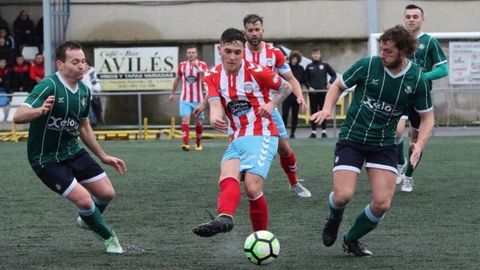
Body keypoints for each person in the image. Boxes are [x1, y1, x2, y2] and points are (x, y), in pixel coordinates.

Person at [311, 25, 434, 257]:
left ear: (403, 52)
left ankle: (351, 239)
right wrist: (327, 108)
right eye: (382, 49)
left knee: (382, 203)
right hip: (352, 137)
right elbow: (338, 85)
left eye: (388, 51)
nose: (382, 54)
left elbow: (427, 117)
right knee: (343, 195)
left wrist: (419, 144)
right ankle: (334, 218)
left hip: (384, 144)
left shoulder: (416, 78)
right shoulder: (367, 65)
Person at [13, 41, 126, 254]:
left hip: (71, 151)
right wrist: (40, 111)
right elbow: (19, 116)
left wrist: (103, 156)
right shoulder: (48, 86)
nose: (81, 66)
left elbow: (84, 126)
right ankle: (108, 236)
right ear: (60, 65)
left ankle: (87, 220)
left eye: (83, 61)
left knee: (106, 193)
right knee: (84, 200)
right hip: (45, 158)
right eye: (75, 62)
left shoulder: (84, 90)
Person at [192, 27, 292, 237]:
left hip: (262, 133)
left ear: (243, 51)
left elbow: (286, 87)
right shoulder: (211, 75)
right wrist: (214, 116)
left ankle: (262, 238)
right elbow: (215, 103)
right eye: (228, 51)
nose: (232, 57)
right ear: (220, 49)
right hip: (236, 138)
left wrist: (272, 104)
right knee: (227, 176)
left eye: (237, 52)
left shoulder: (256, 71)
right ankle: (225, 217)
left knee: (252, 187)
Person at [243, 14, 311, 197]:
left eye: (257, 29)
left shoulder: (274, 53)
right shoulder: (239, 53)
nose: (254, 33)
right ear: (245, 32)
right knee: (243, 148)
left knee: (284, 148)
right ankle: (245, 181)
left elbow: (290, 78)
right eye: (250, 30)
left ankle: (294, 183)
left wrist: (300, 96)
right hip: (244, 110)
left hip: (269, 107)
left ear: (263, 30)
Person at [396, 4, 448, 192]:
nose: (411, 19)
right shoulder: (398, 41)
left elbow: (443, 69)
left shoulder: (430, 42)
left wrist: (421, 77)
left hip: (420, 96)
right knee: (395, 132)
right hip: (400, 94)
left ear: (422, 19)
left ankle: (408, 175)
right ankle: (400, 164)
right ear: (404, 19)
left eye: (415, 16)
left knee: (416, 138)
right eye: (408, 16)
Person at [168, 45, 208, 151]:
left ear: (196, 54)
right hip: (185, 99)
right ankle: (185, 144)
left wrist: (197, 68)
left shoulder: (202, 64)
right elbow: (177, 79)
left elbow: (207, 76)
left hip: (198, 100)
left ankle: (198, 143)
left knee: (199, 122)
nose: (191, 54)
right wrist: (172, 93)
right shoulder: (182, 65)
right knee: (185, 119)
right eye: (189, 53)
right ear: (186, 54)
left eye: (193, 52)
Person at [305, 48, 337, 138]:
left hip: (323, 92)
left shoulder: (325, 65)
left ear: (320, 55)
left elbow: (334, 74)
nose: (315, 55)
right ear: (312, 55)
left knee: (323, 111)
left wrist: (330, 83)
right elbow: (305, 79)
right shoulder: (309, 66)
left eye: (317, 53)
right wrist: (309, 87)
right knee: (314, 111)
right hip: (313, 93)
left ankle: (324, 131)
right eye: (314, 54)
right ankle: (313, 131)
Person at [282, 50, 305, 139]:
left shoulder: (301, 68)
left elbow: (303, 79)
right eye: (293, 58)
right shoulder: (286, 67)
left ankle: (293, 132)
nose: (294, 60)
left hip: (296, 96)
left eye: (296, 58)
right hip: (286, 94)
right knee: (285, 114)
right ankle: (284, 132)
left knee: (295, 115)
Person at [82, 60, 103, 127]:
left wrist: (95, 89)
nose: (84, 66)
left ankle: (93, 122)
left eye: (85, 64)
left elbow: (96, 83)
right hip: (82, 95)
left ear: (88, 66)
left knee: (91, 109)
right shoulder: (79, 74)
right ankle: (91, 122)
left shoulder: (92, 74)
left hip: (91, 95)